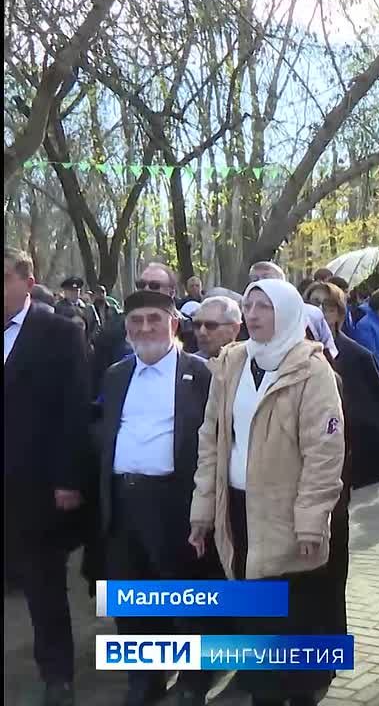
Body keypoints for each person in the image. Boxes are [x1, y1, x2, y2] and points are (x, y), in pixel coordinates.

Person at [189, 279, 346, 706]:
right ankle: (263, 692)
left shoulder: (312, 371)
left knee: (290, 618)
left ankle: (293, 691)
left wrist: (313, 519)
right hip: (237, 510)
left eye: (264, 307)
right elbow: (211, 439)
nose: (254, 315)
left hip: (286, 515)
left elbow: (324, 453)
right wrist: (203, 509)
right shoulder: (231, 363)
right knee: (251, 617)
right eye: (249, 305)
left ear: (288, 313)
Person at [99, 291, 221, 706]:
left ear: (173, 324)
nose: (145, 328)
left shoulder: (201, 374)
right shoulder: (116, 374)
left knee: (186, 599)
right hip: (123, 503)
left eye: (154, 319)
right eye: (136, 321)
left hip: (176, 504)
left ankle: (193, 680)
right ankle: (145, 679)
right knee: (132, 600)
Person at [5, 248, 91, 706]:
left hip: (36, 486)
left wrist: (68, 479)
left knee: (43, 586)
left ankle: (57, 675)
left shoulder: (58, 331)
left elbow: (74, 409)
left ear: (26, 279)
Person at [305, 281, 379, 490]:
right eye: (314, 304)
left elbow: (376, 412)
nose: (321, 312)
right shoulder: (287, 353)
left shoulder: (357, 356)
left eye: (328, 306)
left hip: (338, 461)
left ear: (340, 313)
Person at [93, 263, 198, 394]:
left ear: (171, 293)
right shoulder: (113, 329)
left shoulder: (191, 330)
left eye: (154, 286)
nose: (146, 289)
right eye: (141, 285)